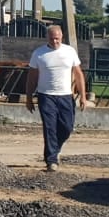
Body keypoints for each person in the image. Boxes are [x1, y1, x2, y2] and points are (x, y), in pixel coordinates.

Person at [24, 24, 87, 172]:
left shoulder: (70, 52)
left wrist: (83, 96)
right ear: (48, 38)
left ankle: (55, 149)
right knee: (50, 127)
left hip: (65, 95)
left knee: (67, 127)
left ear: (61, 37)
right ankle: (52, 160)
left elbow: (78, 74)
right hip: (46, 96)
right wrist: (28, 97)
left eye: (57, 39)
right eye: (52, 39)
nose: (55, 42)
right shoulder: (39, 54)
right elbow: (32, 77)